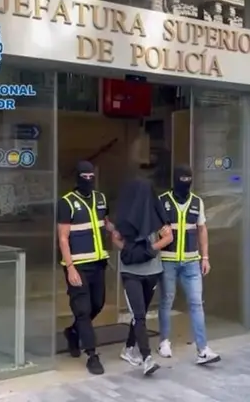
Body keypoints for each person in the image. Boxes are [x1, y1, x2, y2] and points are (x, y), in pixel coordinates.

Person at [157, 165, 221, 365]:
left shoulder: (197, 202)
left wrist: (205, 257)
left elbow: (202, 230)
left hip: (192, 261)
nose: (186, 183)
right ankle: (164, 341)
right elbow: (155, 228)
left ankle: (202, 349)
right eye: (182, 179)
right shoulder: (162, 201)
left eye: (189, 179)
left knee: (196, 303)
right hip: (168, 260)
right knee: (167, 300)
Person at [111, 178, 173, 376]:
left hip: (152, 272)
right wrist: (134, 251)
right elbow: (116, 239)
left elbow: (169, 238)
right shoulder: (125, 219)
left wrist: (147, 250)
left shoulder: (158, 216)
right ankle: (147, 358)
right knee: (138, 315)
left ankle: (128, 349)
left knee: (140, 316)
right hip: (131, 274)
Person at [56, 161, 112, 375]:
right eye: (85, 176)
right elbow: (63, 238)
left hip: (98, 264)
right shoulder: (66, 203)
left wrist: (118, 234)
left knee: (97, 304)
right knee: (83, 310)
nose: (89, 179)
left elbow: (105, 223)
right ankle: (92, 355)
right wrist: (70, 267)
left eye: (92, 176)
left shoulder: (101, 198)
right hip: (77, 265)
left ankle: (72, 332)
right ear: (78, 178)